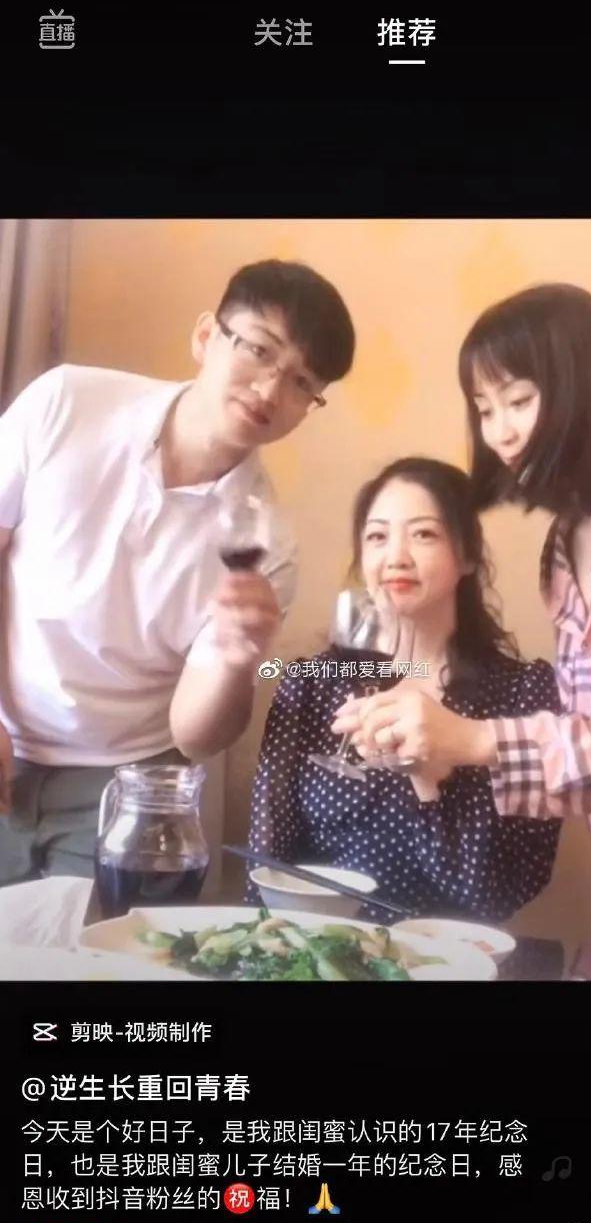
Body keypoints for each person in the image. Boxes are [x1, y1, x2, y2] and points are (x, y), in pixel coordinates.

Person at [335, 286, 591, 968]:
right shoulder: (565, 545)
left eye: (519, 400)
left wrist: (475, 740)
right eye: (484, 408)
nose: (498, 432)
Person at [0, 259, 355, 882]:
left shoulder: (266, 546)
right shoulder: (67, 402)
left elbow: (195, 736)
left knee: (95, 943)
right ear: (205, 336)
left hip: (127, 787)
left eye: (302, 382)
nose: (270, 390)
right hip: (8, 732)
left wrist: (238, 660)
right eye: (259, 351)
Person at [248, 457, 561, 920]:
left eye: (423, 534)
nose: (395, 556)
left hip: (445, 951)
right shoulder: (311, 686)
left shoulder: (522, 695)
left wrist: (427, 781)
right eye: (377, 537)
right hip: (322, 944)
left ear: (467, 556)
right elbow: (265, 867)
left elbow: (499, 895)